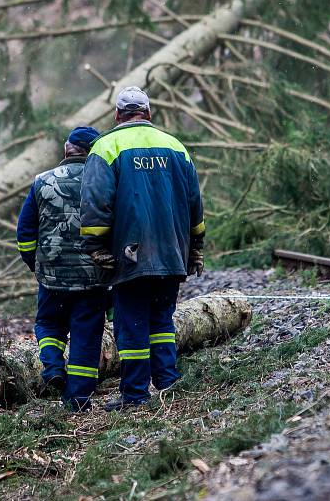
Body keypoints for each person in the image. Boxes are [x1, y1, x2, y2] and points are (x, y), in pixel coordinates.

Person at [80, 86, 205, 412]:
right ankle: (167, 383)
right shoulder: (176, 146)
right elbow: (195, 203)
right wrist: (196, 247)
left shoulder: (106, 146)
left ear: (117, 115)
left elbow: (95, 203)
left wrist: (95, 244)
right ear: (149, 114)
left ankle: (135, 395)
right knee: (162, 319)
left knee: (132, 323)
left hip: (130, 252)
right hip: (171, 250)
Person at [16, 126, 107, 412]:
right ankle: (78, 399)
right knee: (86, 335)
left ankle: (53, 367)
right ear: (93, 151)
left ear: (67, 149)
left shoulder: (41, 182)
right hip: (92, 276)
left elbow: (25, 231)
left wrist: (37, 264)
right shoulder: (104, 183)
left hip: (52, 276)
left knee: (48, 324)